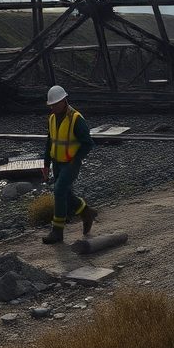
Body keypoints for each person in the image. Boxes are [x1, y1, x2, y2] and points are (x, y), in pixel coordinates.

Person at [41, 85, 97, 244]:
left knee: (58, 191)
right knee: (66, 194)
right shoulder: (52, 118)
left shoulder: (76, 119)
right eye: (50, 105)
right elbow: (49, 142)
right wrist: (46, 164)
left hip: (70, 164)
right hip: (57, 163)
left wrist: (76, 159)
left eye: (54, 104)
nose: (52, 107)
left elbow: (88, 143)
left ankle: (57, 231)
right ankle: (86, 212)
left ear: (64, 101)